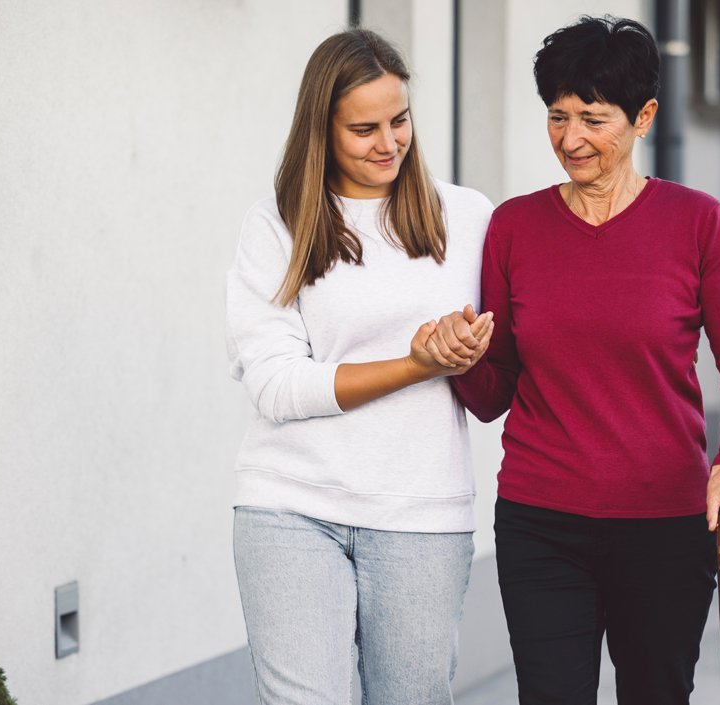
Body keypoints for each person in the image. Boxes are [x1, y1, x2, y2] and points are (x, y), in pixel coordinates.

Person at [425, 16, 720, 705]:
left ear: (643, 117)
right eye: (556, 116)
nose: (570, 138)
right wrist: (456, 358)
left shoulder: (694, 222)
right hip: (540, 522)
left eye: (592, 117)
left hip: (667, 526)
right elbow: (494, 391)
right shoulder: (515, 227)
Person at [224, 28, 495, 705]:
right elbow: (277, 385)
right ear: (322, 130)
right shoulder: (276, 226)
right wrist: (414, 362)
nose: (388, 143)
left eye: (399, 120)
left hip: (422, 512)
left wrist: (472, 352)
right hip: (291, 506)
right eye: (363, 128)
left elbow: (508, 362)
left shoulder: (466, 218)